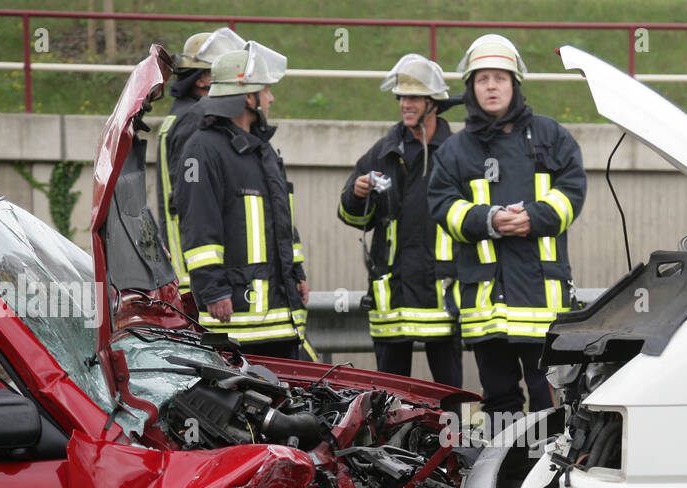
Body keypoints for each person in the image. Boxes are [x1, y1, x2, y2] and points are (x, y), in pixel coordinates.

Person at [429, 34, 586, 414]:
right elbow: (442, 204)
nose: (491, 86)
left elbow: (573, 190)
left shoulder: (551, 136)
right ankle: (506, 473)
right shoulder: (455, 150)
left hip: (540, 302)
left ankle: (546, 472)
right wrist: (490, 221)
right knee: (499, 402)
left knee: (549, 401)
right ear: (471, 88)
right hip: (484, 305)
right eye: (483, 79)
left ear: (514, 85)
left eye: (500, 78)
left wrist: (535, 217)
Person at [177, 42, 311, 359]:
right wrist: (213, 291)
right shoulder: (201, 150)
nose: (272, 98)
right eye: (266, 90)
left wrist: (297, 274)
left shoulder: (262, 150)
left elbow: (281, 223)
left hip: (280, 319)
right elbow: (198, 226)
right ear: (248, 97)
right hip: (237, 323)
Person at [337, 54, 463, 387]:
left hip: (440, 292)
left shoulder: (455, 152)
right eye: (402, 97)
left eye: (414, 98)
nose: (405, 104)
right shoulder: (384, 151)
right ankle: (393, 441)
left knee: (449, 391)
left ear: (432, 103)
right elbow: (352, 217)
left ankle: (455, 439)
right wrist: (357, 193)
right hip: (391, 294)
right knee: (390, 395)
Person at [157, 27, 244, 300]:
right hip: (191, 265)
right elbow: (193, 197)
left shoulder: (181, 115)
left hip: (187, 260)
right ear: (202, 79)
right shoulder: (196, 119)